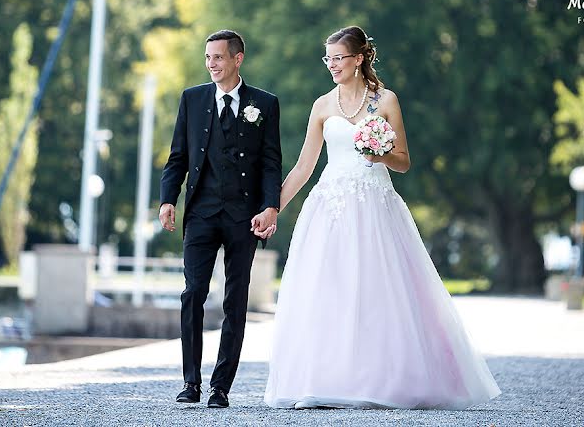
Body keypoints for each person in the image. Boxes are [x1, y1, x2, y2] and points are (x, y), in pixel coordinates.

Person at [263, 26, 500, 409]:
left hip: (375, 205)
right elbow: (304, 168)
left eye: (339, 58)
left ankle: (381, 381)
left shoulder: (385, 100)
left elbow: (404, 162)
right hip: (331, 208)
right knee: (329, 291)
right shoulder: (321, 106)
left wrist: (380, 155)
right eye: (328, 58)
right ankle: (322, 379)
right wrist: (273, 208)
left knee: (378, 293)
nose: (332, 65)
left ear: (359, 59)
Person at [159, 29, 281, 408]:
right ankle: (190, 383)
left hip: (243, 217)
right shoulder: (192, 99)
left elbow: (270, 162)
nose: (211, 63)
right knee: (193, 292)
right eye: (207, 57)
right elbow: (178, 156)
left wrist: (270, 205)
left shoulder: (264, 103)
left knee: (235, 299)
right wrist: (167, 200)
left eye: (218, 57)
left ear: (237, 59)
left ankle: (220, 387)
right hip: (200, 213)